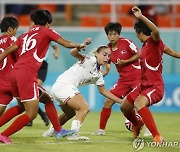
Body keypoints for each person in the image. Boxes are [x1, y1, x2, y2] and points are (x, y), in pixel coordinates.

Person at [0, 9, 86, 144]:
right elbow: (66, 44)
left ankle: (58, 130)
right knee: (31, 114)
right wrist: (79, 45)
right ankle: (4, 135)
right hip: (27, 73)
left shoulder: (24, 35)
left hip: (15, 73)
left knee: (46, 99)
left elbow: (8, 50)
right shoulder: (46, 31)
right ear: (47, 23)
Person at [120, 6, 180, 143]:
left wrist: (140, 17)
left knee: (139, 103)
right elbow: (174, 53)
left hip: (155, 86)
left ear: (140, 32)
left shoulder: (154, 41)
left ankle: (157, 136)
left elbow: (156, 30)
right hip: (143, 85)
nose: (136, 35)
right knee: (124, 106)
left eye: (136, 32)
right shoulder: (151, 46)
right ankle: (137, 124)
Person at [42, 39, 123, 140]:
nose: (107, 58)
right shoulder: (90, 60)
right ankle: (74, 134)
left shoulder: (98, 74)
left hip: (59, 87)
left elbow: (103, 91)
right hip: (64, 85)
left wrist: (120, 101)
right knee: (84, 108)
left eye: (109, 56)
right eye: (104, 54)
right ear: (97, 54)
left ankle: (51, 131)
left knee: (70, 113)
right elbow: (73, 52)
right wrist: (82, 45)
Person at [92, 22, 141, 135]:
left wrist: (126, 61)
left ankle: (147, 128)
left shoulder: (127, 43)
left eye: (115, 34)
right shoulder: (107, 49)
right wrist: (107, 70)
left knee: (139, 103)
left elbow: (138, 54)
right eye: (110, 34)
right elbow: (108, 62)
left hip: (137, 78)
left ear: (119, 34)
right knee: (108, 101)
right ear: (107, 35)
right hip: (123, 80)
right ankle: (101, 129)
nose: (112, 37)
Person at [27, 42, 60, 126]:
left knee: (35, 90)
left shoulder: (47, 34)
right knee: (30, 92)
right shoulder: (30, 35)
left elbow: (56, 47)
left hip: (42, 65)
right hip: (31, 63)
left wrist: (56, 53)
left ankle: (35, 116)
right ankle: (40, 115)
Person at [0, 16, 19, 117]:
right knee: (46, 98)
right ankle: (57, 129)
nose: (16, 32)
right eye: (16, 29)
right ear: (10, 29)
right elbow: (19, 58)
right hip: (13, 80)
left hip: (1, 82)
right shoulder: (12, 40)